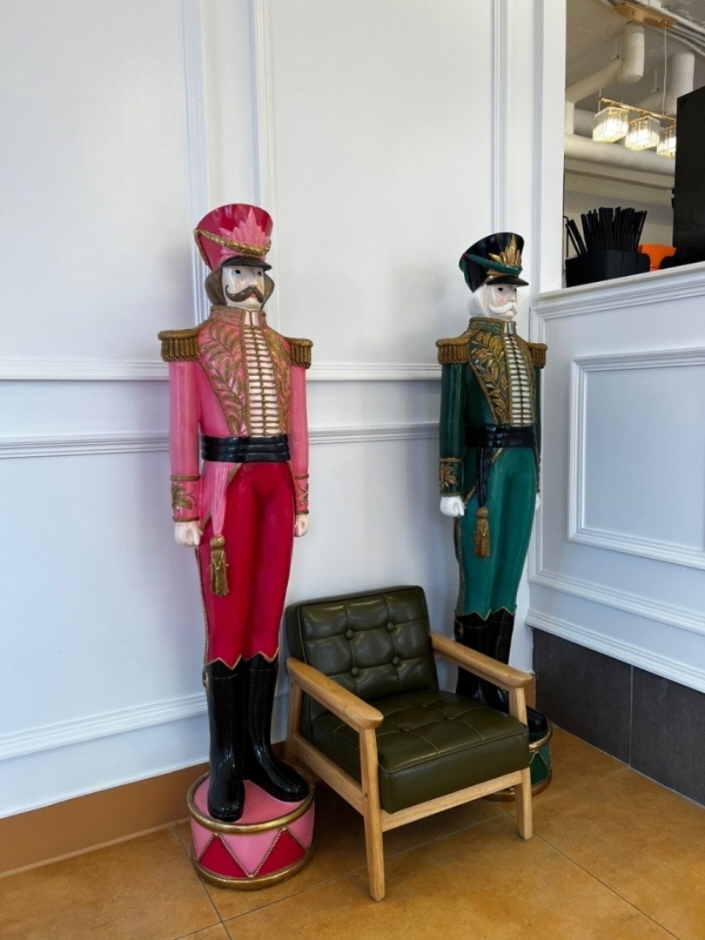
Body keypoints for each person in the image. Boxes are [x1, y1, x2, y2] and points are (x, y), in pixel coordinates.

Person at [159, 204, 311, 821]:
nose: (251, 283)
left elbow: (299, 428)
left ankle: (257, 750)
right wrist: (185, 506)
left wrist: (302, 496)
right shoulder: (192, 346)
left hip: (277, 485)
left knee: (265, 617)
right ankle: (224, 757)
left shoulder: (286, 349)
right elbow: (182, 429)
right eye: (240, 271)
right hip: (226, 488)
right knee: (226, 622)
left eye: (258, 272)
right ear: (218, 275)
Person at [436, 232, 548, 733]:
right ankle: (473, 689)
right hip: (483, 469)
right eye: (501, 289)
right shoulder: (460, 351)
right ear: (480, 290)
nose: (510, 299)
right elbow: (450, 422)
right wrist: (449, 485)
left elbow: (537, 421)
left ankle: (497, 687)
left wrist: (537, 479)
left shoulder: (529, 351)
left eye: (513, 290)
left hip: (521, 465)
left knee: (509, 576)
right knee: (478, 580)